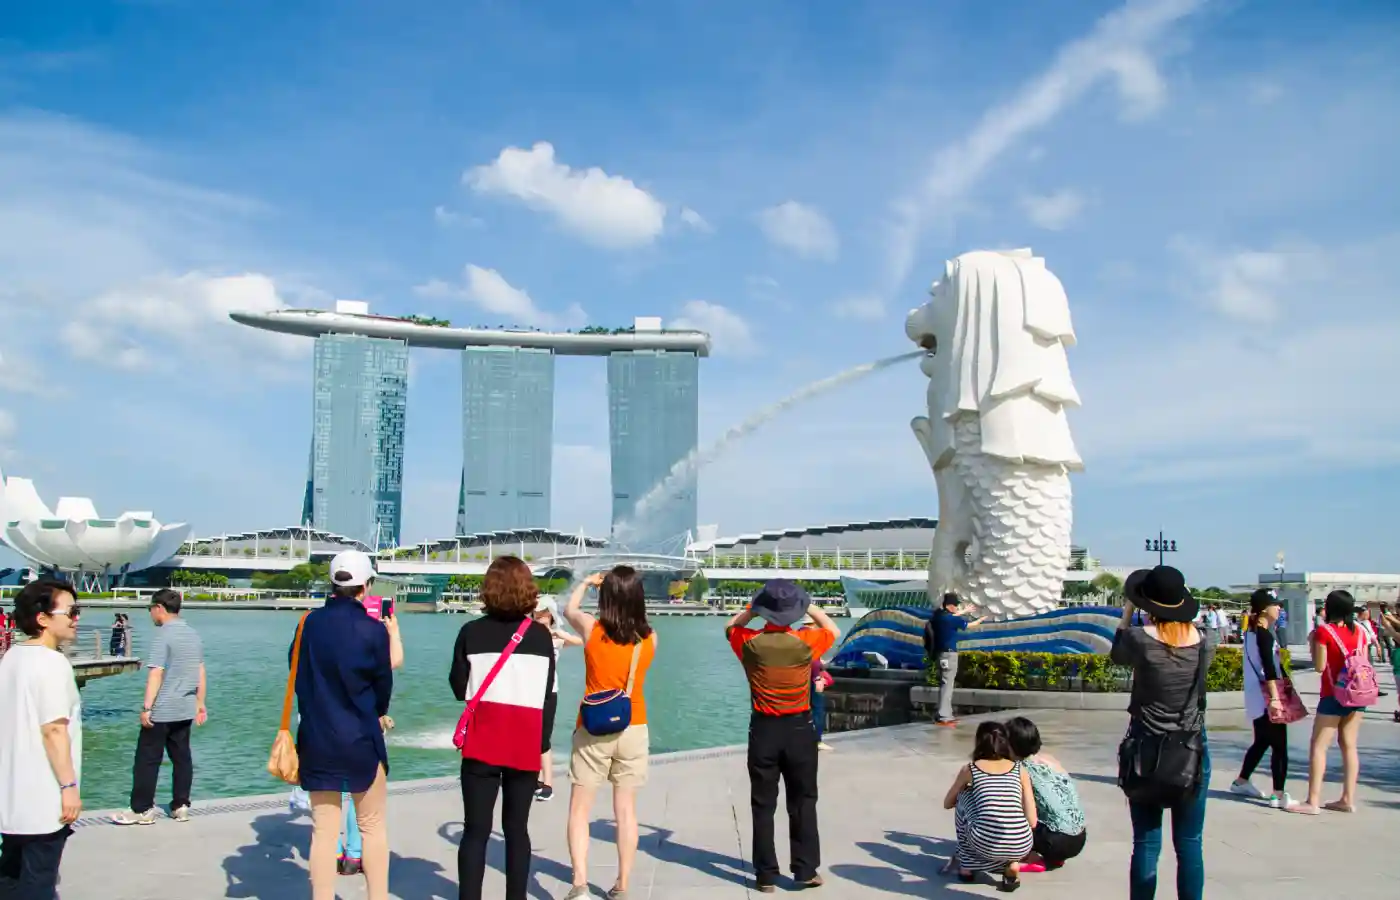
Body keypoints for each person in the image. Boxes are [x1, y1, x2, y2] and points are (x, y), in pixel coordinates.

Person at [449, 556, 556, 900]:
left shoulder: (470, 632)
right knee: (517, 831)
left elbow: (457, 687)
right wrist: (541, 745)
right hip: (524, 744)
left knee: (475, 832)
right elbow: (548, 697)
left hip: (482, 742)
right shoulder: (541, 637)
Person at [726, 580, 841, 893]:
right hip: (800, 729)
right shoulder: (806, 641)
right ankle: (804, 870)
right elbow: (833, 627)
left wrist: (752, 608)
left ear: (765, 610)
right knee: (803, 801)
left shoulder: (749, 643)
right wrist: (809, 605)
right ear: (795, 611)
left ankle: (765, 874)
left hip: (763, 729)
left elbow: (731, 626)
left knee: (763, 804)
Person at [292, 550, 394, 900]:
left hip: (318, 737)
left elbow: (296, 674)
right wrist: (375, 710)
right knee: (372, 826)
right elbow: (383, 688)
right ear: (366, 587)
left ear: (332, 584)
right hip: (362, 737)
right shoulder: (373, 630)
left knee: (324, 829)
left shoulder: (307, 623)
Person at [1111, 565, 1211, 900]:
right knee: (1190, 843)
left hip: (1146, 749)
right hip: (1191, 749)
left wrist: (1128, 610)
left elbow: (1117, 655)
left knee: (1147, 842)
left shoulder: (1140, 640)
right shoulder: (1203, 643)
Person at [562, 567, 657, 900]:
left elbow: (568, 610)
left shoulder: (591, 628)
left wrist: (586, 582)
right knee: (626, 811)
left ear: (605, 597)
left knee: (579, 810)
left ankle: (579, 883)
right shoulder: (650, 638)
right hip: (634, 725)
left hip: (592, 728)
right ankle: (622, 884)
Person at [0, 579, 82, 899]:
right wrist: (68, 788)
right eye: (71, 612)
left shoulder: (12, 657)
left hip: (12, 794)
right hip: (42, 795)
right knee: (39, 880)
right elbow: (54, 730)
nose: (77, 619)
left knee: (10, 875)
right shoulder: (52, 663)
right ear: (43, 618)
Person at [113, 589, 207, 826]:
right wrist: (200, 703)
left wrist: (146, 708)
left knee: (147, 759)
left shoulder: (164, 635)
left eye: (150, 609)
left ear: (160, 609)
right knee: (182, 758)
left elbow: (156, 672)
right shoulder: (193, 634)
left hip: (163, 708)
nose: (150, 614)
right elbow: (200, 671)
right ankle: (181, 805)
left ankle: (142, 809)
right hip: (185, 708)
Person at [337, 591, 404, 877]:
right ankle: (353, 853)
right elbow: (395, 660)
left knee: (333, 793)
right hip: (365, 723)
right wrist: (394, 631)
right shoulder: (374, 641)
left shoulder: (331, 638)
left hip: (330, 722)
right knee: (362, 792)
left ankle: (335, 851)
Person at [1288, 590, 1371, 815]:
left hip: (1333, 694)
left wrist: (1313, 645)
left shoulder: (1324, 632)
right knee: (1350, 745)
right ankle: (1348, 798)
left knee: (1319, 746)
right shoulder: (1362, 631)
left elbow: (1319, 666)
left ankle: (1312, 801)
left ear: (1330, 607)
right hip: (1358, 693)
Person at [942, 721, 1035, 892]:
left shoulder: (971, 769)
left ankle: (967, 867)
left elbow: (948, 803)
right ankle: (1011, 865)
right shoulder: (1019, 769)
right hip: (1022, 843)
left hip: (985, 842)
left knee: (963, 796)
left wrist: (970, 790)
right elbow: (1033, 820)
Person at [1230, 590, 1292, 808]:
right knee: (1280, 746)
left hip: (1257, 697)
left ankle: (1241, 781)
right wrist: (1276, 699)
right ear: (1265, 608)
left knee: (1263, 740)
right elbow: (1268, 667)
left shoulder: (1251, 632)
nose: (1280, 609)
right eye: (1276, 605)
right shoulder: (1264, 634)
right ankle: (1278, 793)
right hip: (1268, 696)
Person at [1004, 716, 1086, 872]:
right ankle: (1055, 858)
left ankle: (1031, 856)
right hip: (1079, 838)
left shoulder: (1020, 770)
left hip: (1055, 841)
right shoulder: (1050, 759)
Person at [533, 595, 582, 802]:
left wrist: (557, 633)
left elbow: (583, 641)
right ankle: (531, 778)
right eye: (536, 615)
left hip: (548, 692)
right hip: (527, 692)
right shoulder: (528, 634)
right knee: (528, 737)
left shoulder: (556, 638)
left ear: (551, 616)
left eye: (544, 615)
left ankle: (548, 784)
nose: (539, 618)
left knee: (543, 739)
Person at [922, 593, 987, 727]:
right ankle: (944, 716)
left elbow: (952, 616)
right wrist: (981, 619)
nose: (957, 608)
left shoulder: (938, 617)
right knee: (947, 686)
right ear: (949, 606)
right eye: (955, 605)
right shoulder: (951, 620)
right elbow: (970, 625)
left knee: (944, 684)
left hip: (940, 655)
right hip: (949, 655)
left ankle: (944, 714)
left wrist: (964, 611)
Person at [811, 656, 834, 752]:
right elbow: (814, 665)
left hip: (804, 681)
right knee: (818, 711)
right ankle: (817, 741)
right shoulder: (814, 649)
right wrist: (821, 665)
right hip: (815, 680)